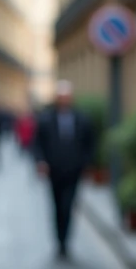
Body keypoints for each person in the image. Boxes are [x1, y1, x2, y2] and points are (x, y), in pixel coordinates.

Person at [35, 80, 96, 258]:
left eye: (67, 97)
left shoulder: (82, 119)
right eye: (61, 97)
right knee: (56, 206)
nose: (64, 100)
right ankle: (59, 240)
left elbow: (89, 144)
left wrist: (86, 164)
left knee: (68, 205)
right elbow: (38, 143)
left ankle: (66, 240)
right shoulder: (46, 119)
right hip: (54, 171)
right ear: (57, 99)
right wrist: (41, 162)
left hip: (74, 171)